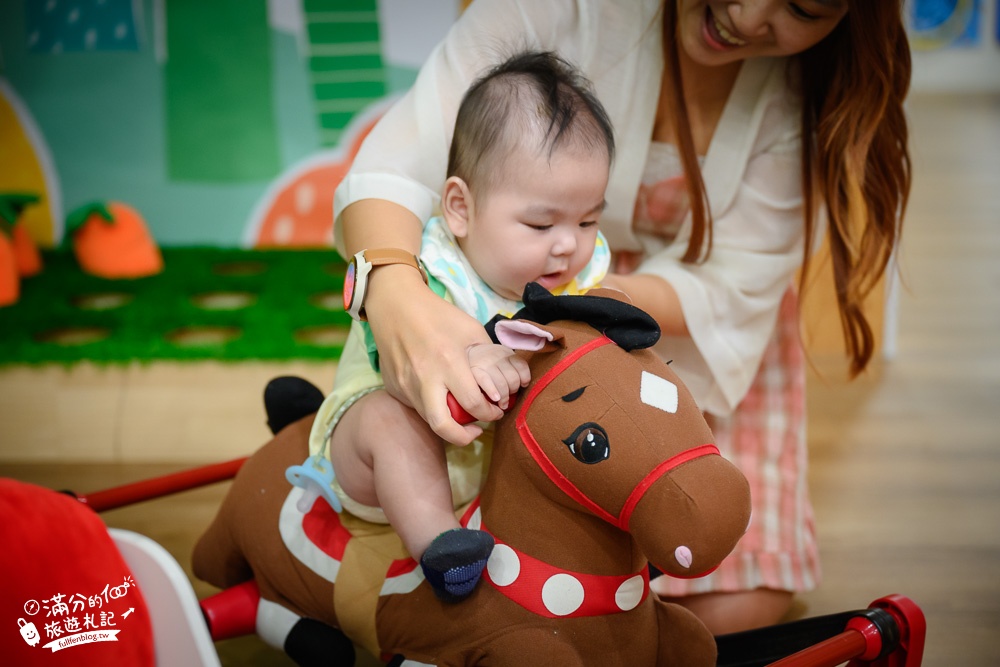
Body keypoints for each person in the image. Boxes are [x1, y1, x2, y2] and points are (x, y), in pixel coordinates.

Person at [331, 0, 912, 633]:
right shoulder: (451, 255)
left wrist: (590, 306)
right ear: (461, 208)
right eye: (539, 220)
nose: (747, 16)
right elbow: (392, 172)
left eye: (802, 6)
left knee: (732, 603)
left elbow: (730, 285)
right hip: (524, 322)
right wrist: (396, 293)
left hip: (670, 321)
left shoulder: (800, 101)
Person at [301, 50, 616, 603]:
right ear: (460, 208)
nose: (569, 244)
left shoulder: (577, 277)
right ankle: (442, 545)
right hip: (379, 462)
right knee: (389, 422)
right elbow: (400, 357)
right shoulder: (432, 271)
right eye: (540, 222)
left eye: (588, 219)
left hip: (498, 479)